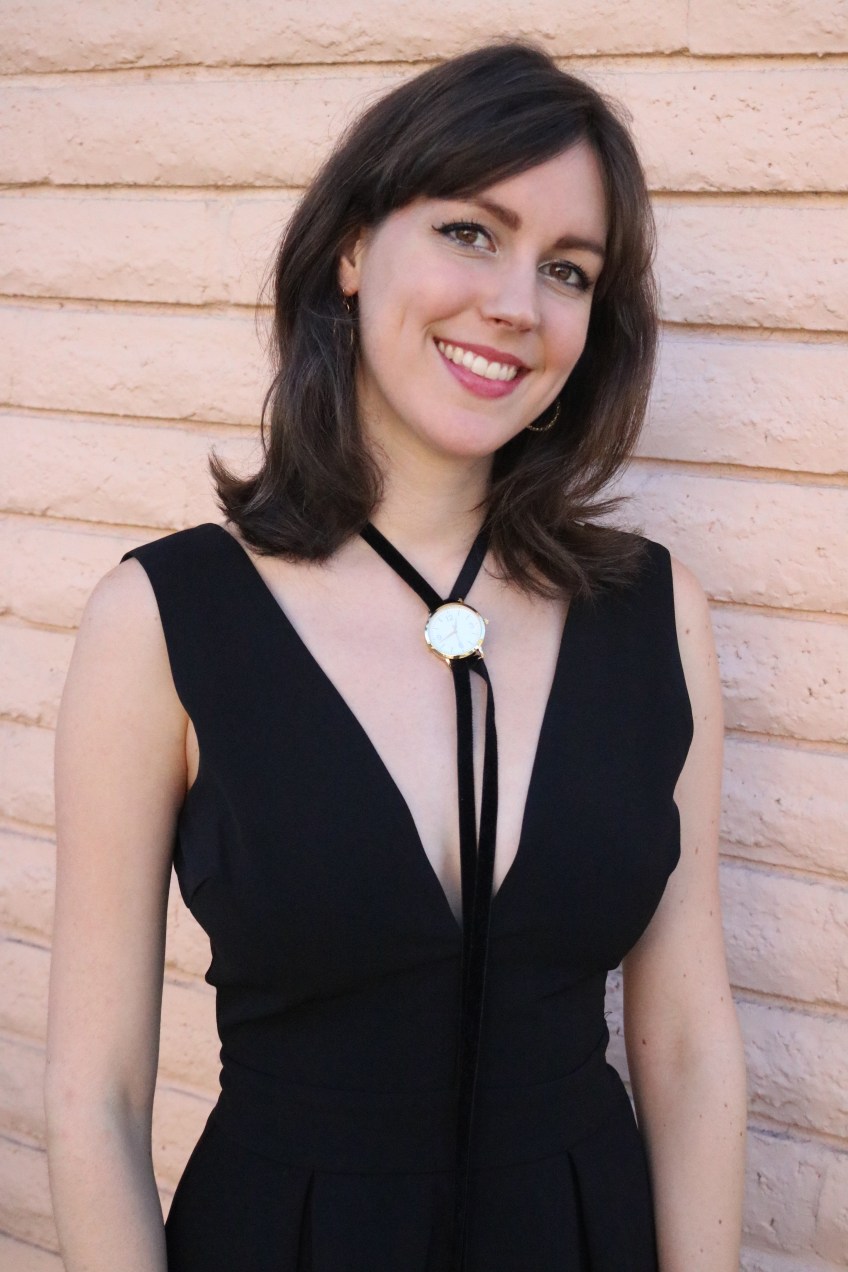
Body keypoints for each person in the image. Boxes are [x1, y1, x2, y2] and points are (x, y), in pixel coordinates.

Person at [45, 39, 747, 1272]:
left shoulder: (653, 615)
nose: (516, 304)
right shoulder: (161, 619)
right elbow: (92, 1095)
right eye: (470, 232)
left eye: (567, 270)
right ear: (351, 249)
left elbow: (686, 1046)